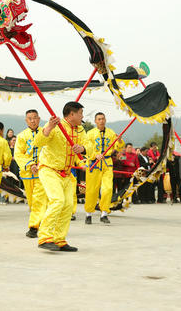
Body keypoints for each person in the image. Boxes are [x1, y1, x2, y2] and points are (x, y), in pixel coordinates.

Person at [33, 101, 88, 252]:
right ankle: (44, 237)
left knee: (68, 206)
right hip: (49, 169)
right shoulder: (56, 125)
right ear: (72, 114)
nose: (82, 116)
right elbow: (37, 142)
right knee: (57, 201)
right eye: (81, 113)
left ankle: (59, 239)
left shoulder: (80, 130)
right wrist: (49, 128)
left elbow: (89, 146)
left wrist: (82, 148)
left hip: (67, 173)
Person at [84, 112, 124, 224]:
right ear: (95, 121)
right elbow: (87, 148)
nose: (101, 121)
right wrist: (95, 155)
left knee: (107, 189)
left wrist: (120, 141)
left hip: (107, 163)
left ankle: (104, 213)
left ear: (105, 120)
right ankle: (88, 213)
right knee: (92, 190)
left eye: (103, 118)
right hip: (94, 164)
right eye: (99, 119)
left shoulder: (111, 133)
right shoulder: (90, 133)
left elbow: (119, 148)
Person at [13, 110, 46, 237]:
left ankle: (34, 227)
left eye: (35, 118)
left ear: (39, 119)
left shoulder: (46, 133)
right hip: (27, 172)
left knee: (40, 199)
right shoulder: (21, 136)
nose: (32, 120)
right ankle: (38, 223)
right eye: (30, 118)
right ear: (26, 121)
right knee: (32, 201)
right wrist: (30, 164)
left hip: (43, 171)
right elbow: (18, 154)